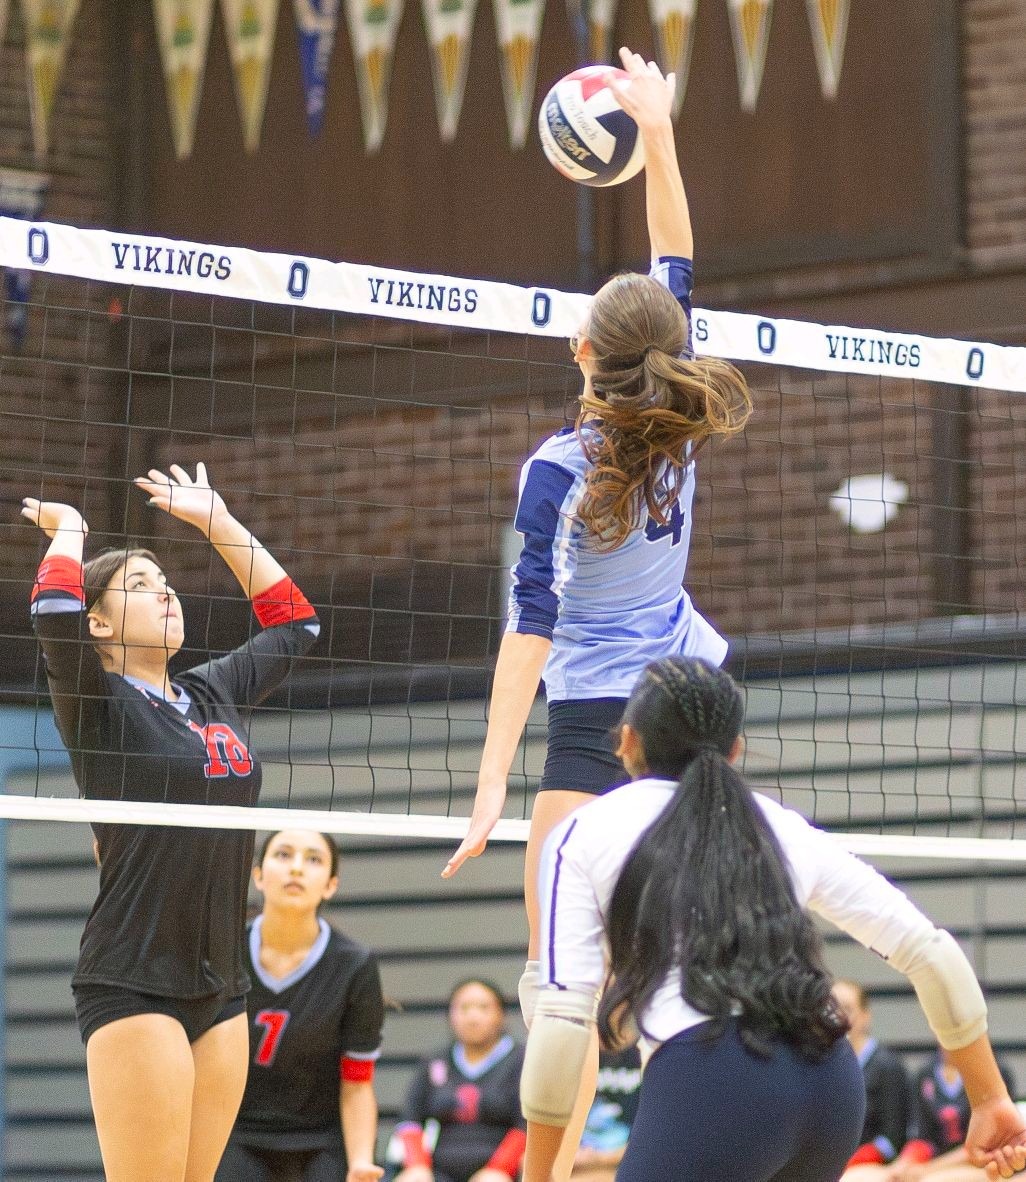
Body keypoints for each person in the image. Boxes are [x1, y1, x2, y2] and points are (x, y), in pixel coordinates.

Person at [443, 46, 752, 1172]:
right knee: (673, 974)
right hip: (689, 705)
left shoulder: (555, 469)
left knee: (561, 987)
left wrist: (489, 783)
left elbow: (530, 628)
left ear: (580, 354)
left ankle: (556, 1165)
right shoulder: (682, 411)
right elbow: (673, 257)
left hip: (587, 721)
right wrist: (659, 130)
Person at [518, 655, 1026, 1182]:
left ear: (626, 740)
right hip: (827, 1082)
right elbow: (931, 953)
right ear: (734, 750)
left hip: (713, 1081)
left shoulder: (584, 833)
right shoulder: (780, 825)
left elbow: (561, 1024)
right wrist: (990, 1100)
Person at [22, 462, 320, 1182]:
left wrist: (217, 521)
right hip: (133, 980)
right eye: (140, 587)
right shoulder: (97, 704)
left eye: (167, 584)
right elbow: (52, 614)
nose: (166, 594)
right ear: (100, 622)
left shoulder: (211, 691)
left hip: (221, 984)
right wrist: (71, 533)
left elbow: (298, 622)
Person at [216, 829, 385, 1182]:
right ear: (258, 876)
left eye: (313, 859)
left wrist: (360, 1162)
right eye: (283, 855)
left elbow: (357, 1083)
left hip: (320, 1141)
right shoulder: (221, 950)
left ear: (330, 885)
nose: (296, 868)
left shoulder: (355, 965)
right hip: (233, 1132)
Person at [391, 979, 526, 1182]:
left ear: (501, 1015)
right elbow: (409, 1122)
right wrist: (417, 1165)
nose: (473, 1017)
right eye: (464, 1008)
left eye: (483, 1008)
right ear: (451, 1017)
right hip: (438, 1171)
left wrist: (500, 1169)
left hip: (500, 1171)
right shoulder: (435, 1060)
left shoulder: (520, 1059)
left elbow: (526, 1125)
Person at [847, 1050, 1018, 1182]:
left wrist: (927, 1170)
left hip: (980, 1166)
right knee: (858, 1176)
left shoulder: (997, 1074)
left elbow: (986, 1147)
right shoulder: (925, 1074)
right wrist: (904, 1164)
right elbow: (922, 1138)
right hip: (933, 1164)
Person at [832, 979, 910, 1169]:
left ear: (865, 1016)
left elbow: (893, 1139)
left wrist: (858, 1160)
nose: (838, 1016)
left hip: (873, 1168)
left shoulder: (887, 1067)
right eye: (831, 1009)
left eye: (847, 1009)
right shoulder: (822, 1065)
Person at [570, 1046, 643, 1182]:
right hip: (576, 1162)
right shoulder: (575, 1055)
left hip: (624, 1163)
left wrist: (601, 1158)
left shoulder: (644, 1056)